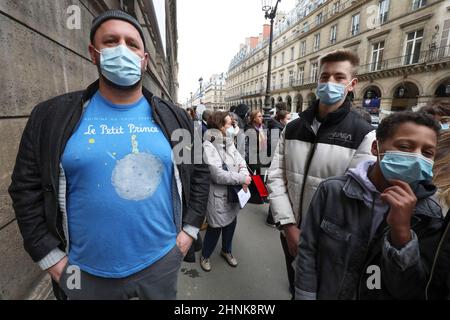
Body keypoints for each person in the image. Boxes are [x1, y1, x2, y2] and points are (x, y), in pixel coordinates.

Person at [8, 10, 210, 300]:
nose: (122, 50)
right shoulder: (50, 116)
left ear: (144, 59)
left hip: (162, 264)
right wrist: (52, 261)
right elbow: (25, 190)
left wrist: (188, 233)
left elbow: (198, 173)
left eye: (131, 44)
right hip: (82, 273)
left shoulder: (175, 117)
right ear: (94, 53)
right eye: (111, 41)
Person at [296, 111, 444, 300]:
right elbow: (308, 250)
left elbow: (414, 288)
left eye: (427, 153)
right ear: (376, 148)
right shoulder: (333, 191)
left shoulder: (430, 213)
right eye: (405, 147)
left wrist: (401, 232)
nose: (416, 158)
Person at [267, 49, 376, 299]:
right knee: (296, 287)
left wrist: (317, 236)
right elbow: (275, 176)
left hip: (330, 242)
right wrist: (288, 225)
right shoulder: (294, 127)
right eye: (324, 76)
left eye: (339, 77)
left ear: (352, 84)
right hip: (290, 232)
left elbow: (357, 195)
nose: (330, 83)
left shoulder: (363, 133)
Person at [200, 112, 251, 272]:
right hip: (218, 197)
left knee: (231, 223)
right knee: (215, 228)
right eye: (229, 124)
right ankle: (205, 255)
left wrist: (245, 173)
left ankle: (226, 251)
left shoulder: (228, 142)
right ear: (219, 126)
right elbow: (217, 175)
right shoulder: (207, 146)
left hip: (232, 195)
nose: (233, 127)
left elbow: (240, 159)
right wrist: (241, 179)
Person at [266, 110, 291, 227]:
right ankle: (272, 219)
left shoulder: (280, 128)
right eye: (288, 118)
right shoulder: (278, 129)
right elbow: (274, 147)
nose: (289, 121)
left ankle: (274, 218)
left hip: (277, 160)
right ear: (281, 120)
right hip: (276, 161)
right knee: (278, 188)